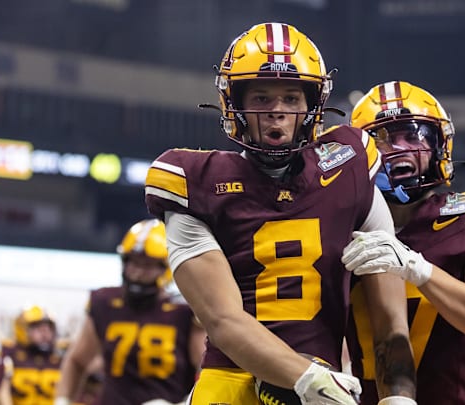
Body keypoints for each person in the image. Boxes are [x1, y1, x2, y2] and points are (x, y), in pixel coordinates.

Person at [145, 22, 416, 404]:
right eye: (261, 98)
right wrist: (308, 380)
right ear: (234, 103)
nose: (277, 112)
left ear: (311, 105)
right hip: (232, 382)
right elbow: (222, 320)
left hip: (322, 386)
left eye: (291, 98)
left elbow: (390, 323)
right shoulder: (193, 181)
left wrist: (398, 396)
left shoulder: (349, 167)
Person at [342, 81, 465, 404]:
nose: (399, 148)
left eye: (413, 136)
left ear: (440, 146)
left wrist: (417, 268)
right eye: (384, 139)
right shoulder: (343, 225)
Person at [54, 219, 206, 405]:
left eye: (147, 265)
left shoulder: (184, 309)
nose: (137, 272)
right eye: (133, 262)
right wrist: (62, 400)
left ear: (166, 267)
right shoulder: (105, 302)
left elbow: (205, 369)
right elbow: (77, 360)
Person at [3, 305, 63, 405]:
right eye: (38, 328)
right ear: (24, 330)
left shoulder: (62, 357)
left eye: (48, 328)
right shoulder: (11, 356)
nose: (45, 333)